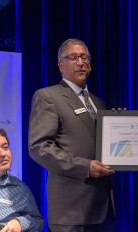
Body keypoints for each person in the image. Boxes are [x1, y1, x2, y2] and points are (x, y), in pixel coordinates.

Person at [28, 38, 115, 232]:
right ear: (61, 65)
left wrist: (121, 126)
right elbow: (39, 148)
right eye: (74, 57)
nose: (81, 62)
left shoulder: (98, 103)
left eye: (85, 57)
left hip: (102, 208)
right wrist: (85, 167)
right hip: (70, 211)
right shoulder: (48, 96)